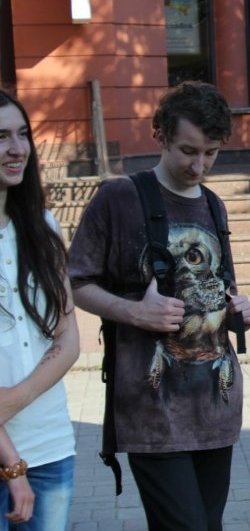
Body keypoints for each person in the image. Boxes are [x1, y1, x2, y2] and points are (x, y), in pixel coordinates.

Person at [67, 81, 250, 530]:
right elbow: (74, 282)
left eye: (211, 153)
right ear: (160, 136)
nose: (199, 166)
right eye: (188, 151)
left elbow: (219, 287)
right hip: (151, 409)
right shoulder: (118, 197)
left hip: (215, 408)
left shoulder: (214, 205)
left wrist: (239, 311)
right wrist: (135, 311)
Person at [0, 89, 79, 530]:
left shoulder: (43, 226)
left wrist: (18, 397)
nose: (17, 149)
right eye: (1, 137)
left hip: (49, 446)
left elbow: (67, 338)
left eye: (22, 134)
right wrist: (11, 463)